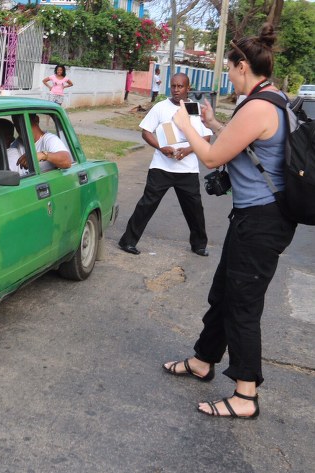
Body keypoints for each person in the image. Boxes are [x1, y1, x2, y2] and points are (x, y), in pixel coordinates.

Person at [163, 24, 296, 419]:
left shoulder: (258, 106)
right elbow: (239, 143)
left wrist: (186, 126)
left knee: (243, 304)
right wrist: (211, 123)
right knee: (224, 293)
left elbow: (211, 157)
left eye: (229, 69)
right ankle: (203, 360)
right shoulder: (271, 98)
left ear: (242, 67)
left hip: (262, 222)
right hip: (252, 218)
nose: (228, 77)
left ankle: (245, 394)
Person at [118, 73, 211, 257]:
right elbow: (146, 132)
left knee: (195, 209)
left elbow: (206, 136)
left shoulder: (194, 108)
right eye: (173, 86)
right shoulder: (161, 107)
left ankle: (199, 245)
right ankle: (128, 241)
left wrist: (187, 150)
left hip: (188, 170)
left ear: (188, 88)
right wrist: (161, 148)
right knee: (146, 204)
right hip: (161, 168)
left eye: (180, 86)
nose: (176, 90)